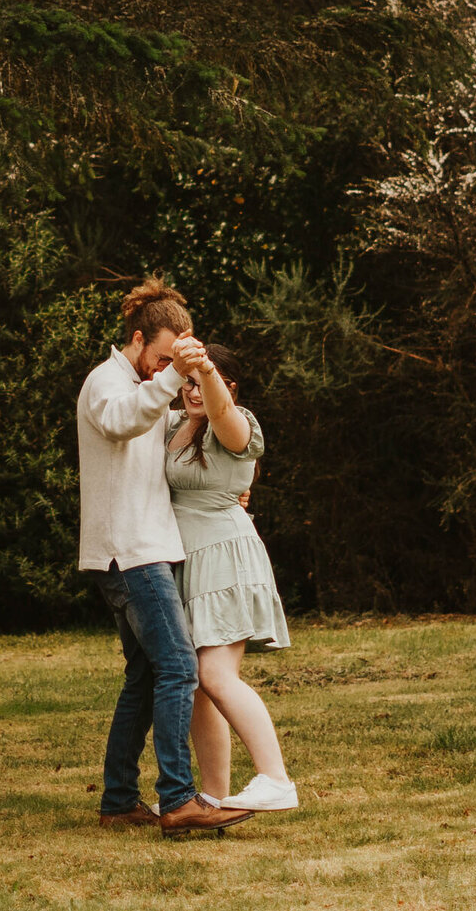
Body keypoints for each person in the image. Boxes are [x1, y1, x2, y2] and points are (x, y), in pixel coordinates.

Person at [76, 278, 253, 838]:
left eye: (171, 362)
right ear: (136, 339)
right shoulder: (107, 383)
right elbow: (122, 420)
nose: (165, 372)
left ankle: (119, 800)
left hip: (149, 548)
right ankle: (178, 801)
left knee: (146, 676)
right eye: (159, 358)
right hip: (132, 554)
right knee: (179, 668)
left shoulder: (145, 386)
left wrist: (233, 491)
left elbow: (195, 448)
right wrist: (177, 371)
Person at [166, 340, 299, 812]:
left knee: (216, 674)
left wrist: (205, 370)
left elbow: (221, 409)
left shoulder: (236, 424)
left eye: (202, 383)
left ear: (227, 386)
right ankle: (214, 795)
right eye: (187, 382)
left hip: (226, 557)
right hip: (189, 561)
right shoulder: (175, 425)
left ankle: (276, 778)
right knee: (198, 683)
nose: (193, 391)